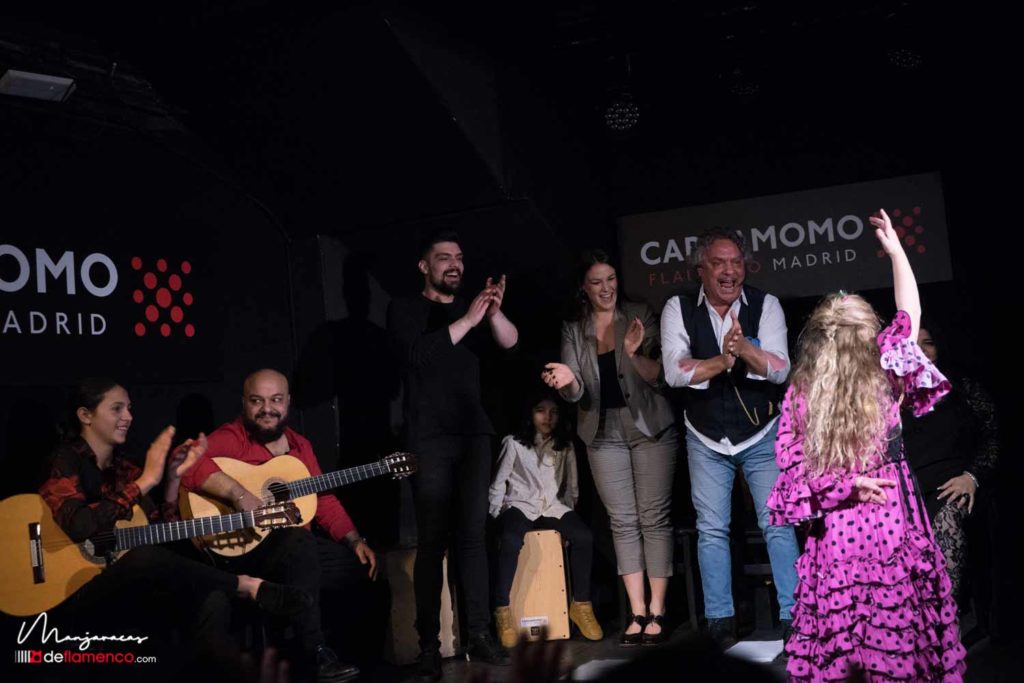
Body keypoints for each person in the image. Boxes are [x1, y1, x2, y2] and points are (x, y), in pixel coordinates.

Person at [766, 209, 966, 681]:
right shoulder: (886, 372)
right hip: (890, 513)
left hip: (840, 526)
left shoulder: (804, 390)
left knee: (846, 618)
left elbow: (791, 471)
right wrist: (896, 251)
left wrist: (844, 485)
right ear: (870, 336)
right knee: (896, 612)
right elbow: (910, 314)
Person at [38, 378, 310, 654]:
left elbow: (161, 533)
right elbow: (80, 525)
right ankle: (244, 585)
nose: (128, 416)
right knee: (141, 557)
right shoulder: (65, 459)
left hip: (130, 588)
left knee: (211, 598)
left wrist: (171, 480)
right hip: (72, 590)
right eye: (117, 409)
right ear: (85, 415)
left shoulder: (125, 468)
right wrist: (145, 481)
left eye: (129, 408)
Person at [181, 369, 376, 683]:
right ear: (244, 403)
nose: (267, 409)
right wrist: (238, 494)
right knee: (300, 544)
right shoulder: (231, 438)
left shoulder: (301, 447)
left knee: (354, 567)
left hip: (293, 551)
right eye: (257, 401)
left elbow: (323, 498)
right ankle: (316, 653)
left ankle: (314, 650)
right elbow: (188, 463)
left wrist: (354, 540)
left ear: (288, 402)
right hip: (243, 549)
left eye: (275, 400)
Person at [387, 230, 519, 680]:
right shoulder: (404, 308)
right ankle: (430, 643)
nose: (454, 264)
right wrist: (468, 318)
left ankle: (478, 633)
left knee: (473, 537)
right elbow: (416, 356)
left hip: (472, 435)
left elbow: (510, 343)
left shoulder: (474, 311)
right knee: (432, 541)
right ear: (424, 266)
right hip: (428, 438)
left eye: (459, 257)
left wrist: (493, 314)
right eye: (444, 258)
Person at [660, 228, 800, 648]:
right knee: (712, 530)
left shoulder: (765, 304)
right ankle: (720, 620)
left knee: (777, 523)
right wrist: (723, 360)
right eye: (719, 263)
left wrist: (745, 350)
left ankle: (795, 615)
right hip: (705, 436)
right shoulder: (678, 307)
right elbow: (674, 372)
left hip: (761, 433)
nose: (729, 271)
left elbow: (780, 369)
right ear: (701, 269)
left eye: (736, 263)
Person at [542, 249, 677, 646]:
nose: (606, 288)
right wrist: (566, 380)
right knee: (622, 521)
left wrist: (633, 352)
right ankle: (637, 611)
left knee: (653, 517)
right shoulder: (574, 328)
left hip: (648, 425)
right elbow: (575, 393)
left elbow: (659, 376)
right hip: (601, 433)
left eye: (611, 279)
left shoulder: (639, 313)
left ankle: (658, 610)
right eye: (597, 282)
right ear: (584, 288)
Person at [903, 321, 999, 639]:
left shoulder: (961, 388)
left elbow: (993, 436)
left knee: (946, 520)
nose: (921, 351)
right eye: (914, 344)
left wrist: (972, 477)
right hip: (908, 492)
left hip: (954, 486)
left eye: (928, 343)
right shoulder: (892, 395)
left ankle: (946, 628)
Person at [488, 391, 603, 647]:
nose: (547, 417)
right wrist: (496, 515)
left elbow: (571, 486)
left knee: (584, 537)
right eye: (541, 411)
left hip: (552, 506)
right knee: (510, 540)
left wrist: (569, 519)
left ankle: (581, 605)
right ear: (530, 414)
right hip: (520, 504)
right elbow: (498, 482)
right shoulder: (514, 443)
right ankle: (502, 610)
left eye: (553, 412)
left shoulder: (564, 445)